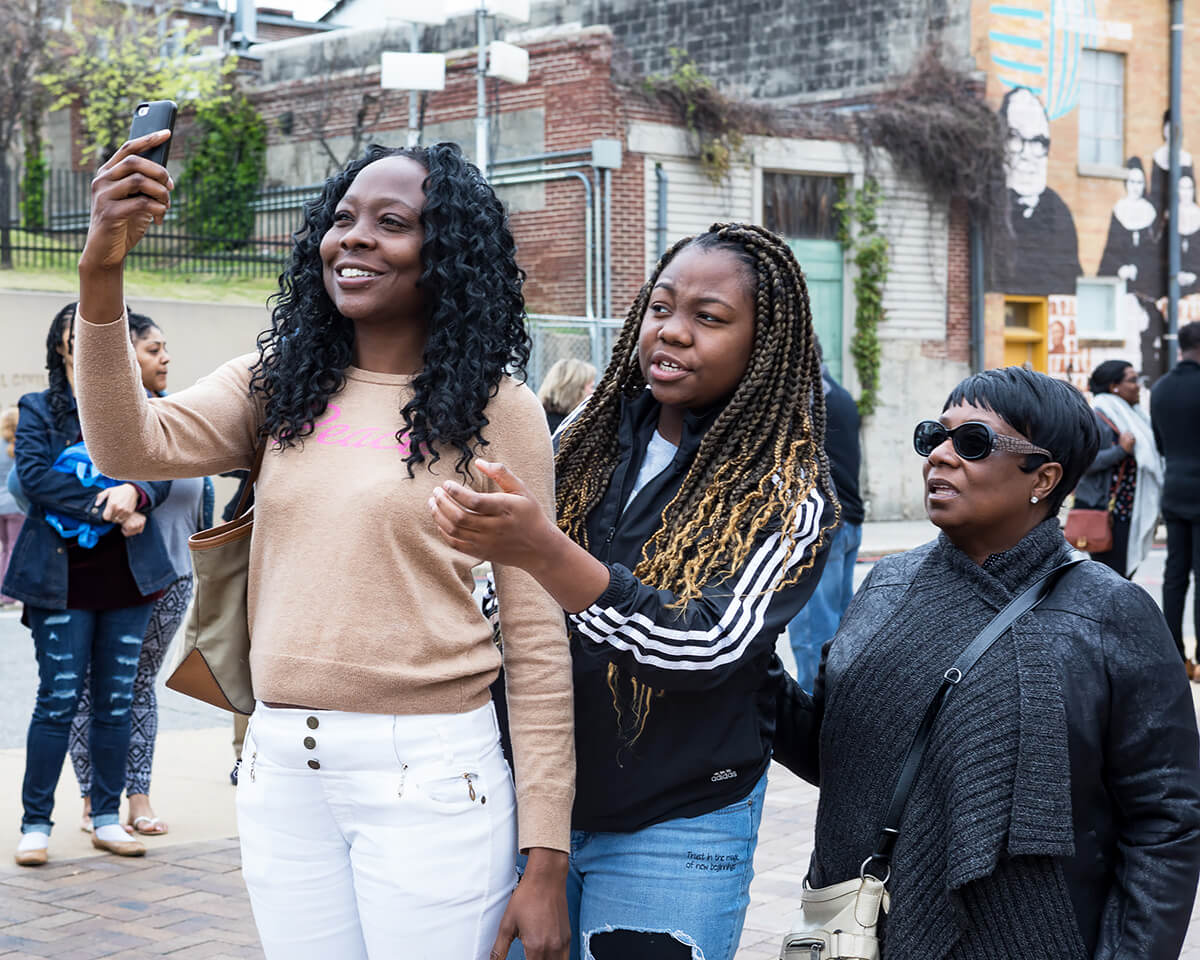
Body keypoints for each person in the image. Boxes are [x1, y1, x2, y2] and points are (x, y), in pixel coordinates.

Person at [73, 132, 574, 960]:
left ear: (446, 254)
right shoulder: (277, 382)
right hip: (281, 771)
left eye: (393, 222)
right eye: (343, 218)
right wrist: (101, 272)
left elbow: (534, 635)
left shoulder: (501, 410)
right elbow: (129, 446)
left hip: (433, 778)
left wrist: (546, 857)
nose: (356, 237)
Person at [431, 223, 838, 960]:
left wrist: (546, 554)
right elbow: (507, 606)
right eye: (660, 308)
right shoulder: (586, 433)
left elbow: (705, 645)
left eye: (708, 319)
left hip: (679, 821)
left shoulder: (789, 490)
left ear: (764, 343)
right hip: (534, 802)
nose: (672, 333)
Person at [774, 366, 1200, 959]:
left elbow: (1167, 820)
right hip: (870, 927)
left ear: (1044, 478)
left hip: (1039, 934)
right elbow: (833, 754)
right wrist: (743, 659)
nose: (941, 457)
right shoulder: (887, 587)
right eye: (934, 437)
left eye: (972, 443)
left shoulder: (1109, 613)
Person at [4, 302, 176, 867]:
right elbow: (33, 477)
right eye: (81, 330)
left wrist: (140, 493)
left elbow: (161, 469)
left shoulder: (140, 408)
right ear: (62, 344)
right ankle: (35, 824)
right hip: (60, 582)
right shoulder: (39, 408)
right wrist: (112, 505)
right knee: (56, 701)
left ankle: (107, 817)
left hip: (128, 581)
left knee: (115, 702)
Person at [69, 310, 214, 837]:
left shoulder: (172, 415)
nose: (165, 357)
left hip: (170, 578)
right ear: (121, 356)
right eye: (153, 349)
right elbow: (33, 486)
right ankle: (94, 798)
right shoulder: (96, 422)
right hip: (110, 577)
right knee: (95, 687)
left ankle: (136, 797)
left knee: (136, 688)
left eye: (164, 348)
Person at [787, 349, 862, 693]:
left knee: (813, 635)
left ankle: (813, 721)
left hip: (823, 527)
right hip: (849, 522)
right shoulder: (840, 394)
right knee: (842, 631)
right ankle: (840, 711)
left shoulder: (808, 400)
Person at [989, 86, 1082, 296]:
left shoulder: (1059, 213)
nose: (1027, 154)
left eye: (1038, 143)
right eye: (1015, 139)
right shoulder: (989, 203)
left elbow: (1069, 289)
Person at [1075, 360, 1162, 580]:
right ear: (1114, 386)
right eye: (1132, 380)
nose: (1137, 386)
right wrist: (1121, 451)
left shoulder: (1133, 416)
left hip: (1128, 511)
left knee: (1122, 575)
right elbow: (1083, 462)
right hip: (1107, 511)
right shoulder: (1098, 417)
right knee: (1112, 577)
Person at [1151, 321, 1200, 670]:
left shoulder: (1161, 388)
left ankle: (1176, 656)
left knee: (1174, 574)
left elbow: (1160, 443)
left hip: (1174, 488)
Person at [1097, 158, 1163, 299]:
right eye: (1132, 182)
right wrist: (1119, 268)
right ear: (1126, 183)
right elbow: (1111, 250)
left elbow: (1154, 252)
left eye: (1139, 183)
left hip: (1146, 284)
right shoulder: (1119, 210)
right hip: (1122, 282)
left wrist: (1138, 269)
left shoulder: (1150, 211)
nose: (1135, 187)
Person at [537, 358, 596, 433]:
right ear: (575, 390)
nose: (593, 392)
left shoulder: (539, 419)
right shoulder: (567, 429)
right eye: (591, 387)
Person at [0, 406, 22, 607]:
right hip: (15, 505)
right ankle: (8, 595)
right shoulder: (21, 445)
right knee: (15, 548)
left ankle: (1, 592)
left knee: (4, 549)